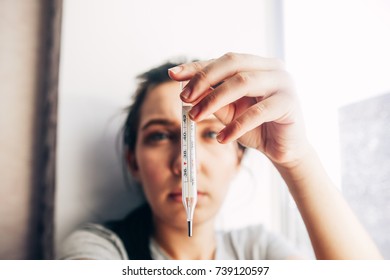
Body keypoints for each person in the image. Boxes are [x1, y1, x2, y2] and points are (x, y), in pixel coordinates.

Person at [59, 53, 383, 260]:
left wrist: (296, 159)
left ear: (239, 158)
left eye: (212, 134)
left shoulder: (258, 252)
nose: (186, 164)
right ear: (133, 161)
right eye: (159, 135)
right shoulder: (100, 251)